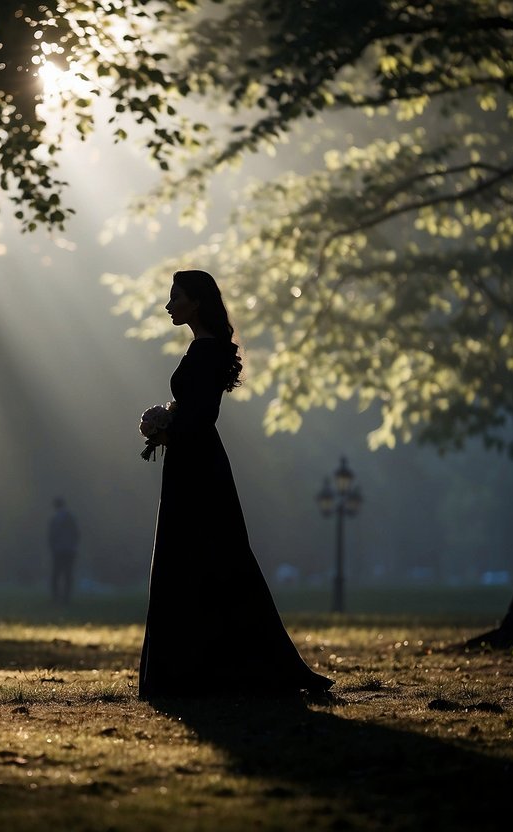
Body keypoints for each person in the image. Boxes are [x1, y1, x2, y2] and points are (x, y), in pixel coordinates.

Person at [138, 269, 333, 697]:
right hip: (193, 459)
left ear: (196, 302)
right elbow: (194, 408)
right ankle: (200, 667)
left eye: (176, 297)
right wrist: (169, 421)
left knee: (211, 553)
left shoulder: (207, 352)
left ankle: (208, 668)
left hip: (198, 462)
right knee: (204, 554)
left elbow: (203, 415)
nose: (169, 305)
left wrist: (167, 429)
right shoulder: (202, 349)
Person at [48, 497, 79, 605]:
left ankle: (56, 597)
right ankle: (66, 597)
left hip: (59, 549)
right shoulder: (71, 517)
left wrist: (52, 547)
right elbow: (76, 533)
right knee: (68, 574)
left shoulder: (55, 518)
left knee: (56, 574)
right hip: (70, 549)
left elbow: (52, 535)